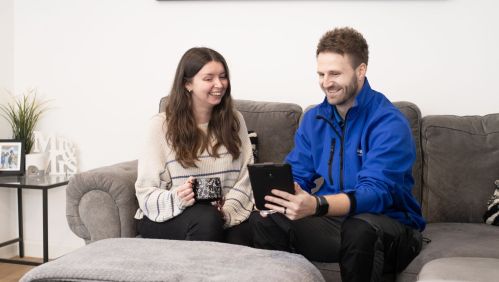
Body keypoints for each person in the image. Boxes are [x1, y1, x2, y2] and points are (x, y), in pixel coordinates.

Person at [249, 27, 426, 282]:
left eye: (335, 73)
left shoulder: (389, 123)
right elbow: (298, 173)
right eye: (321, 73)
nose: (326, 82)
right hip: (335, 222)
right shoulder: (315, 119)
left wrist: (317, 204)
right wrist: (281, 196)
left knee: (359, 229)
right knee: (269, 220)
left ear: (360, 71)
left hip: (391, 227)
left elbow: (375, 194)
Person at [135, 47, 254, 246]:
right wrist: (178, 198)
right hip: (169, 215)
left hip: (223, 214)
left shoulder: (235, 121)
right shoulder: (160, 126)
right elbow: (146, 190)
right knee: (206, 218)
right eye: (209, 78)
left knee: (246, 231)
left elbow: (247, 177)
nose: (219, 84)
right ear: (187, 83)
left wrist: (227, 212)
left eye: (223, 77)